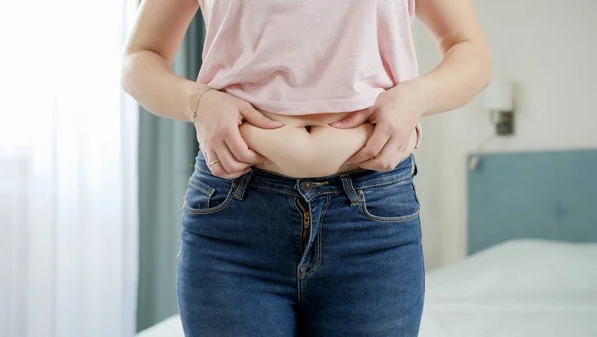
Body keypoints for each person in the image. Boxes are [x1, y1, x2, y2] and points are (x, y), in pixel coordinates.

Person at [121, 0, 491, 336]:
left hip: (371, 223)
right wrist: (196, 102)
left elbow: (470, 50)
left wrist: (417, 96)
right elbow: (140, 56)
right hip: (234, 220)